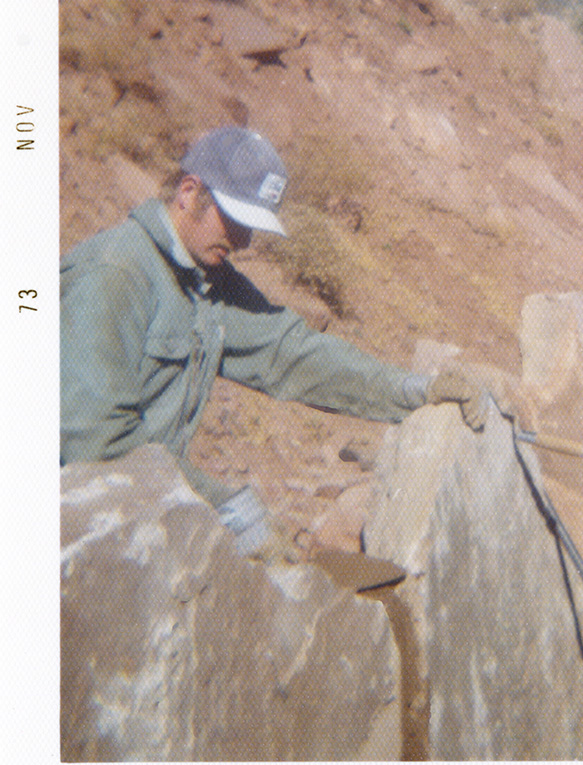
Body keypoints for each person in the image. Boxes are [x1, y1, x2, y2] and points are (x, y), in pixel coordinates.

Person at [61, 124, 489, 558]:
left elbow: (295, 354)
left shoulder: (207, 282)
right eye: (237, 220)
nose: (244, 241)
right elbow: (96, 443)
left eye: (253, 226)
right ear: (189, 193)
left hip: (121, 519)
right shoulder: (113, 275)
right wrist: (226, 509)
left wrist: (414, 390)